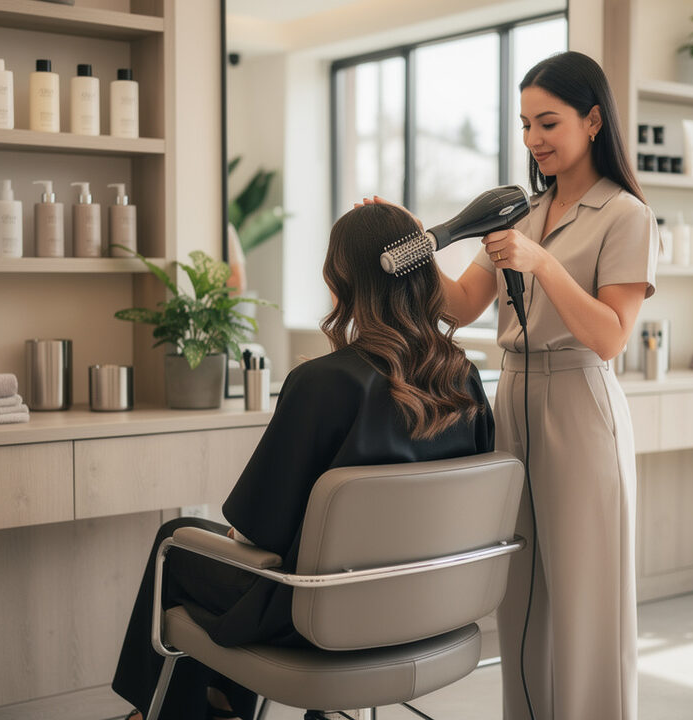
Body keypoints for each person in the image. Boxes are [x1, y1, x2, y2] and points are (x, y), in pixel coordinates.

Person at [111, 202, 496, 720]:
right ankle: (221, 702)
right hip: (431, 609)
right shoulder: (462, 378)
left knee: (177, 543)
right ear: (423, 274)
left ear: (341, 278)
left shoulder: (324, 382)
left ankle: (169, 714)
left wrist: (242, 535)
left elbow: (259, 531)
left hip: (318, 614)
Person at [366, 50, 657, 720]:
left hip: (582, 405)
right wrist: (410, 236)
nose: (533, 140)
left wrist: (542, 264)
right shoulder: (521, 211)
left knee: (587, 602)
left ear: (592, 121)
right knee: (521, 598)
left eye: (548, 123)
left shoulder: (626, 216)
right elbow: (462, 305)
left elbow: (611, 336)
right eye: (525, 124)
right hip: (514, 404)